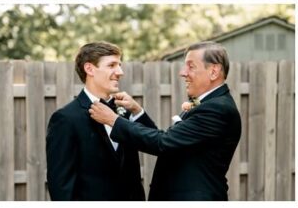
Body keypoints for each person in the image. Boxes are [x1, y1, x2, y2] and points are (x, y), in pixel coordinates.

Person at [89, 42, 242, 200]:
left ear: (213, 71)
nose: (183, 72)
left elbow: (163, 143)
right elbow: (172, 143)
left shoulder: (217, 109)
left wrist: (114, 120)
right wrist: (137, 111)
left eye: (191, 66)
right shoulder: (211, 103)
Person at [45, 41, 155, 200]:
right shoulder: (65, 119)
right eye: (112, 65)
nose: (120, 72)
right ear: (89, 69)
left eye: (120, 65)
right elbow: (61, 186)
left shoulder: (124, 112)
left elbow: (156, 144)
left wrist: (137, 111)